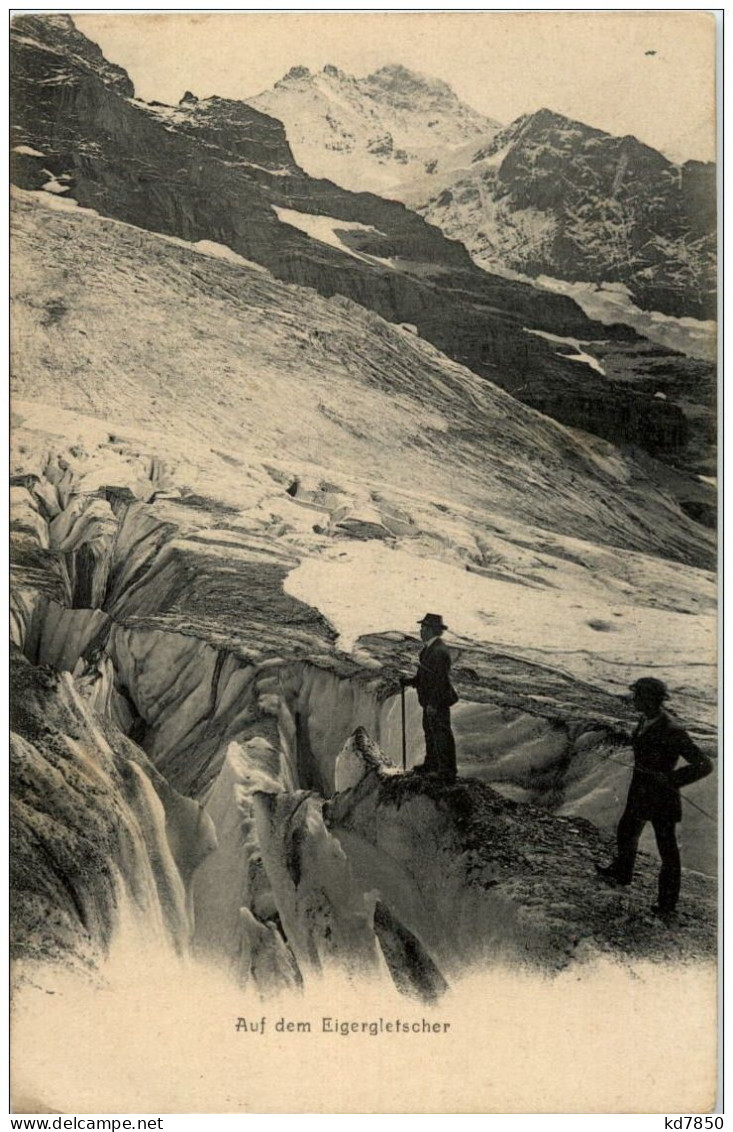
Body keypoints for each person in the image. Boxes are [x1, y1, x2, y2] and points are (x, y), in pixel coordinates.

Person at [596, 677, 713, 917]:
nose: (634, 699)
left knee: (667, 850)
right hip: (640, 792)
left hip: (662, 798)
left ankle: (667, 904)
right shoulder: (644, 720)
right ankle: (622, 873)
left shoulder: (673, 730)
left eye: (638, 696)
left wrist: (671, 779)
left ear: (651, 699)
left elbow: (704, 764)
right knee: (626, 831)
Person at [402, 613, 458, 782]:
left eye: (424, 628)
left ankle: (447, 772)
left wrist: (433, 703)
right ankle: (431, 764)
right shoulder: (429, 649)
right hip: (429, 701)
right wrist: (411, 681)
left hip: (437, 701)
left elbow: (440, 681)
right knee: (430, 732)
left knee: (441, 735)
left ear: (432, 630)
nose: (421, 631)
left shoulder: (439, 652)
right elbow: (425, 676)